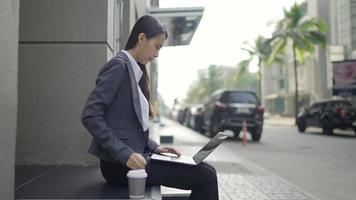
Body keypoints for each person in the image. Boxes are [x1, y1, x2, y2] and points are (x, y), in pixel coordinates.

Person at [81, 15, 219, 200]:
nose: (156, 54)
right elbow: (90, 115)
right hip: (121, 166)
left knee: (207, 169)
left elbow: (129, 125)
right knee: (206, 177)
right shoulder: (118, 67)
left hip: (135, 158)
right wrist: (125, 154)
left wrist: (155, 147)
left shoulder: (134, 71)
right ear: (141, 38)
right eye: (157, 46)